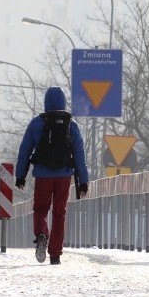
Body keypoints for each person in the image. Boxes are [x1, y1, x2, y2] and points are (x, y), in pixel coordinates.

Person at [16, 86, 89, 265]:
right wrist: (83, 182)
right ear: (64, 102)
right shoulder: (71, 125)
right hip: (64, 176)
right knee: (59, 213)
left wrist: (20, 175)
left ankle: (41, 234)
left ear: (46, 102)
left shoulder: (37, 123)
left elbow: (25, 150)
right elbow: (79, 155)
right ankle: (55, 254)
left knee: (40, 209)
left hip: (42, 175)